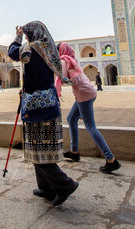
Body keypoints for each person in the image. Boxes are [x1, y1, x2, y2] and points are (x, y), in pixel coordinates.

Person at [8, 21, 78, 206]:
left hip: (36, 106)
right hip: (49, 104)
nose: (26, 37)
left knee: (38, 152)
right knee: (39, 149)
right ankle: (46, 188)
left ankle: (65, 185)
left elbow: (12, 52)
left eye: (27, 34)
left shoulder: (31, 49)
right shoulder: (49, 49)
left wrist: (17, 36)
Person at [57, 42, 121, 174]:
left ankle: (111, 160)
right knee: (71, 118)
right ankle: (74, 151)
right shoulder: (72, 59)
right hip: (88, 92)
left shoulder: (64, 60)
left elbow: (63, 79)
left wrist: (55, 73)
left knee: (91, 127)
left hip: (84, 95)